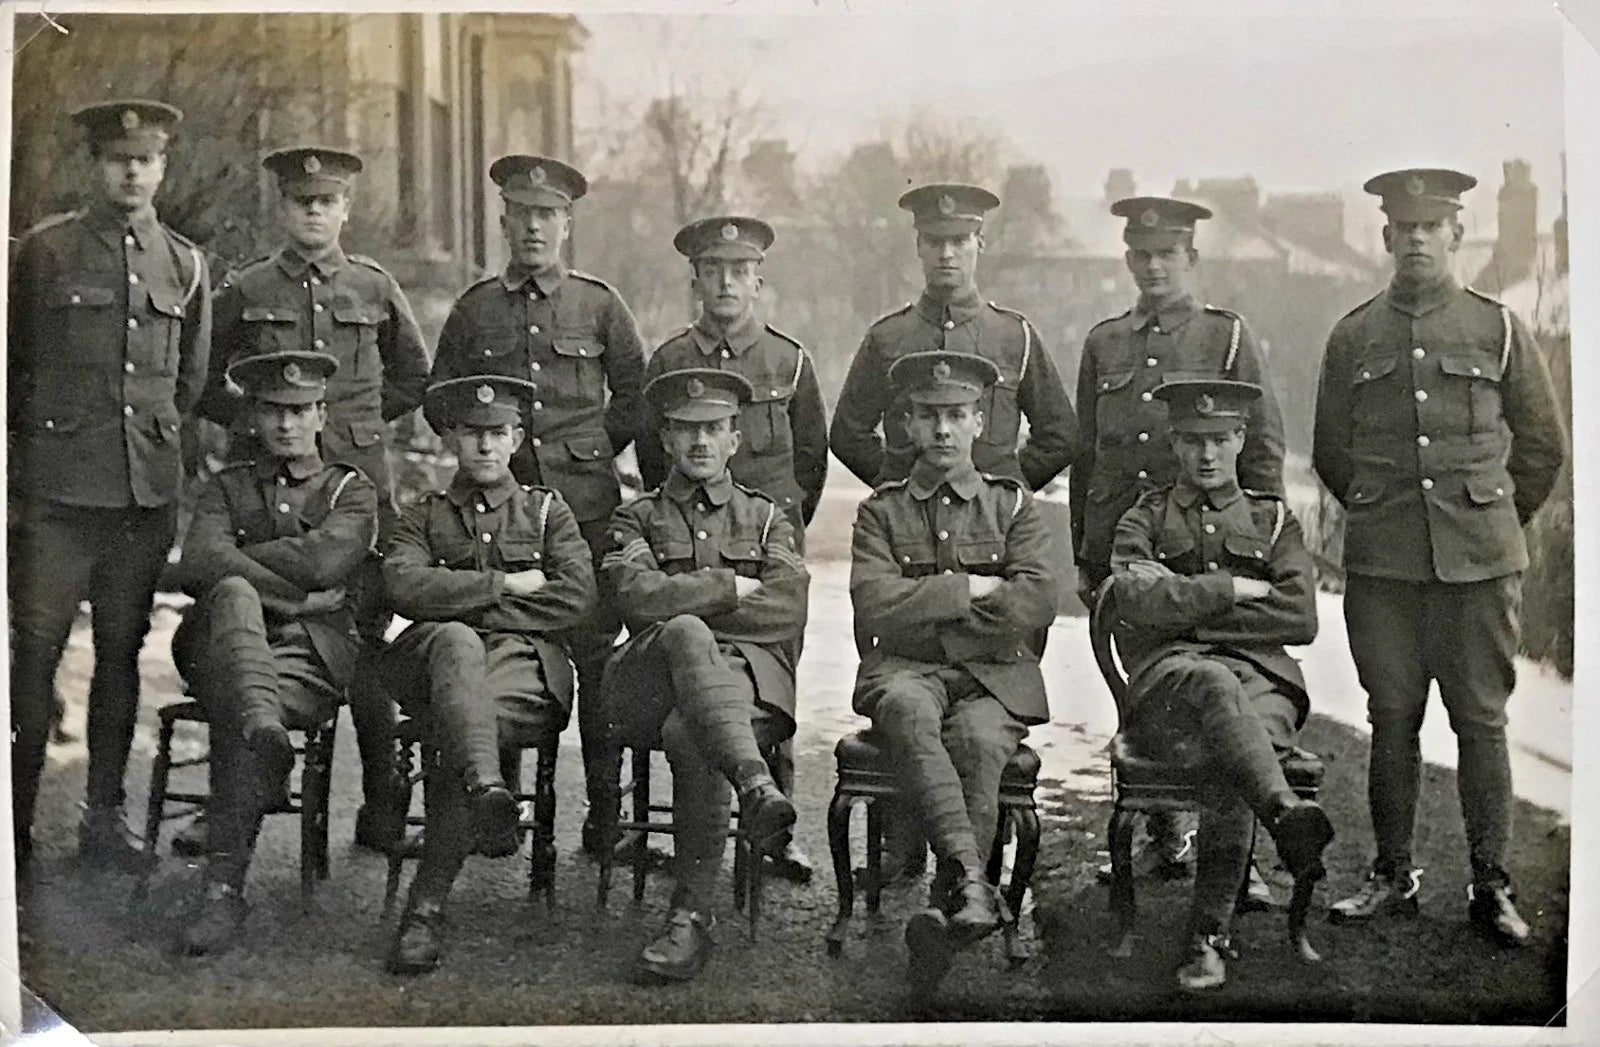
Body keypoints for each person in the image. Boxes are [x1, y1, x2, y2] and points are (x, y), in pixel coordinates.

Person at [1313, 168, 1565, 946]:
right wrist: (1390, 516)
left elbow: (1543, 446)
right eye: (1405, 228)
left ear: (1458, 234)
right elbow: (1332, 451)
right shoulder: (1355, 334)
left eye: (1433, 226)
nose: (1418, 239)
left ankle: (1491, 883)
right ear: (1386, 238)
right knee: (1391, 717)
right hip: (1386, 567)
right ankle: (1393, 875)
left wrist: (1488, 523)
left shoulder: (1497, 328)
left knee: (1481, 720)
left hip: (1479, 569)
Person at [197, 145, 431, 852]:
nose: (314, 212)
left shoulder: (373, 286)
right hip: (263, 493)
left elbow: (414, 376)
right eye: (302, 202)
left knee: (361, 640)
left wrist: (353, 427)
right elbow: (201, 377)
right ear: (283, 208)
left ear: (345, 209)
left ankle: (383, 806)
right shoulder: (246, 287)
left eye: (326, 202)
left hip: (354, 491)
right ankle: (234, 796)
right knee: (243, 634)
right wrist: (258, 426)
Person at [8, 99, 212, 873]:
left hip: (140, 498)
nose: (132, 170)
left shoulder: (185, 265)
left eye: (146, 158)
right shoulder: (47, 252)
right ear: (96, 165)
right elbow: (11, 370)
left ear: (163, 167)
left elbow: (186, 384)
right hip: (56, 495)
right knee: (35, 655)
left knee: (121, 657)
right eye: (118, 158)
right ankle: (14, 828)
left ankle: (104, 819)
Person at [430, 154, 646, 858]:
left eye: (546, 215)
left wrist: (588, 448)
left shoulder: (600, 305)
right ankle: (501, 804)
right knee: (506, 645)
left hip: (585, 512)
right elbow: (443, 400)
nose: (533, 227)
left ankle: (605, 814)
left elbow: (637, 399)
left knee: (596, 659)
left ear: (566, 223)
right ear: (503, 221)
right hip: (504, 516)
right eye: (521, 214)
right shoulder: (475, 308)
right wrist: (495, 466)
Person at [1072, 195, 1287, 894]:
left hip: (1205, 550)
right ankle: (1161, 830)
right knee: (1143, 693)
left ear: (1191, 258)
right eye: (1142, 254)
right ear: (1129, 258)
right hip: (1127, 551)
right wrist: (1088, 550)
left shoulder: (1225, 337)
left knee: (1227, 689)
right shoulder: (1105, 342)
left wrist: (1256, 543)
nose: (1154, 266)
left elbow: (1262, 451)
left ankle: (1240, 851)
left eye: (1168, 254)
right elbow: (1087, 456)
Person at [1109, 378, 1335, 992]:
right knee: (1211, 682)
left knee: (1233, 745)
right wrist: (1234, 589)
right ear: (1175, 443)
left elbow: (1301, 617)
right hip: (1172, 680)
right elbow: (1131, 600)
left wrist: (1178, 598)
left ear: (1240, 439)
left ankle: (1207, 940)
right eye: (1192, 441)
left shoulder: (1273, 518)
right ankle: (1284, 813)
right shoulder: (1144, 516)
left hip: (1264, 680)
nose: (1206, 454)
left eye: (1219, 439)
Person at [848, 351, 1057, 991]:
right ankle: (971, 885)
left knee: (977, 740)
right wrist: (971, 587)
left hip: (994, 680)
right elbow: (874, 603)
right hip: (905, 674)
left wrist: (931, 606)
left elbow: (1036, 602)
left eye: (956, 416)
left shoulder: (1015, 506)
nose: (942, 430)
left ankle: (949, 907)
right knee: (909, 711)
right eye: (929, 416)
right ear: (906, 425)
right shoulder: (880, 512)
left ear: (979, 424)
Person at [635, 214, 829, 883]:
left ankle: (776, 832)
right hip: (683, 547)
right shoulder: (668, 360)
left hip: (762, 548)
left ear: (758, 279)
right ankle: (712, 819)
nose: (726, 283)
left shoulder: (790, 360)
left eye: (738, 271)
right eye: (713, 270)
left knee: (774, 679)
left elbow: (811, 463)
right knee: (694, 676)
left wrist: (768, 525)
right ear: (696, 279)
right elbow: (645, 448)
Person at [382, 375, 597, 974]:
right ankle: (486, 787)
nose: (483, 446)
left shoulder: (548, 512)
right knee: (453, 647)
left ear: (516, 438)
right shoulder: (422, 514)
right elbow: (400, 584)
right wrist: (502, 585)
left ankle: (425, 907)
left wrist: (454, 597)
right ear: (451, 436)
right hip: (434, 663)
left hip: (525, 672)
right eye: (472, 433)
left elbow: (577, 599)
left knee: (462, 717)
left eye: (496, 434)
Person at [600, 368, 809, 982]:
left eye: (714, 429)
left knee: (692, 732)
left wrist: (677, 594)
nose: (700, 442)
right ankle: (754, 782)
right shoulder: (634, 518)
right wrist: (725, 587)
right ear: (663, 438)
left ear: (735, 440)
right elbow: (634, 600)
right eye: (687, 430)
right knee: (687, 633)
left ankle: (691, 916)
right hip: (647, 681)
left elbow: (788, 604)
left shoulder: (767, 518)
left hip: (742, 685)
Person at [170, 351, 377, 955]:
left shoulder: (350, 489)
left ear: (320, 415)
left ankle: (221, 894)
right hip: (220, 645)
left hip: (311, 655)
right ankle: (266, 727)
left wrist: (245, 563)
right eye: (271, 411)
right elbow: (199, 563)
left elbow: (327, 561)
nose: (285, 424)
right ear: (254, 418)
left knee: (240, 699)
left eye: (298, 411)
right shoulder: (226, 484)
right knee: (230, 596)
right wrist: (301, 597)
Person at [829, 183, 1076, 491]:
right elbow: (847, 433)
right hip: (910, 524)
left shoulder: (1014, 335)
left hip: (990, 528)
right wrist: (895, 487)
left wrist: (1007, 488)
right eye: (934, 241)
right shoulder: (888, 337)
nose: (946, 254)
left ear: (979, 244)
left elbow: (1060, 434)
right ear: (919, 245)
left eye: (959, 241)